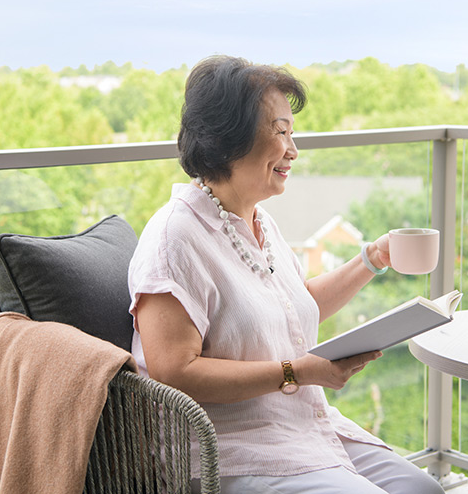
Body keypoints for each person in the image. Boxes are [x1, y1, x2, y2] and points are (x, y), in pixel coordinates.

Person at [127, 56, 445, 494]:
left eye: (292, 133)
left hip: (303, 426)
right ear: (227, 138)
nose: (293, 150)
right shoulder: (174, 237)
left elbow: (295, 303)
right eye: (280, 131)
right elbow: (173, 371)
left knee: (423, 489)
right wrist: (298, 372)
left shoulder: (259, 221)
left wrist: (373, 258)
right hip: (228, 448)